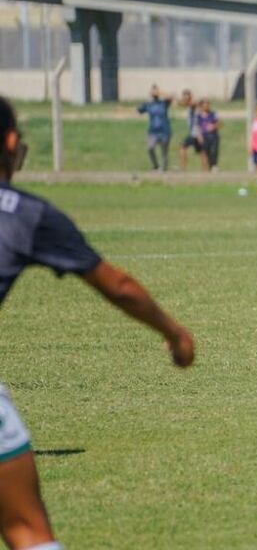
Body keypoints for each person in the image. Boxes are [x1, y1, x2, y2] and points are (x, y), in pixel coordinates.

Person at [0, 96, 195, 550]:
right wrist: (175, 333)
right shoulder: (27, 214)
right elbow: (119, 286)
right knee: (28, 533)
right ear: (11, 142)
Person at [136, 85, 172, 171]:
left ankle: (164, 168)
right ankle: (155, 165)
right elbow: (139, 109)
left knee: (164, 152)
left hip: (164, 131)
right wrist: (147, 100)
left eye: (156, 91)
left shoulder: (164, 103)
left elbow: (171, 97)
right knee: (150, 148)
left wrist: (160, 92)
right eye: (153, 91)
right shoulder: (149, 104)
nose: (154, 93)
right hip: (153, 131)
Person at [178, 90, 207, 172]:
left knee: (200, 151)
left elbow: (190, 104)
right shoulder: (190, 105)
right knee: (201, 151)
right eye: (184, 96)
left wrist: (180, 102)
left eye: (187, 97)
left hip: (197, 133)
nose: (185, 98)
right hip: (194, 133)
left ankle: (205, 171)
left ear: (190, 96)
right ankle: (184, 169)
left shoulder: (193, 104)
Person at [197, 99, 222, 173]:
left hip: (213, 136)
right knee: (206, 152)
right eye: (204, 105)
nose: (206, 106)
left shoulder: (213, 114)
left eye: (207, 105)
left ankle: (214, 165)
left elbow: (220, 123)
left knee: (214, 151)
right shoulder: (199, 116)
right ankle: (208, 167)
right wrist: (199, 136)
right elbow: (198, 126)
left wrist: (213, 126)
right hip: (205, 137)